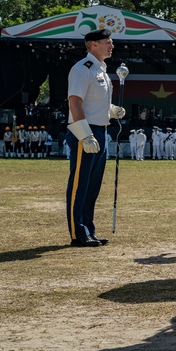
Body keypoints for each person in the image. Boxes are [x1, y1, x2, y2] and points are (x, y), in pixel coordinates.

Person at [66, 28, 125, 247]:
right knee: (80, 185)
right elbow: (75, 102)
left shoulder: (101, 69)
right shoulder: (83, 69)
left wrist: (112, 110)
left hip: (101, 130)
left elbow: (94, 103)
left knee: (92, 186)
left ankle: (88, 230)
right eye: (107, 42)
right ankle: (78, 233)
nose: (112, 45)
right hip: (86, 131)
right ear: (93, 45)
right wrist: (85, 135)